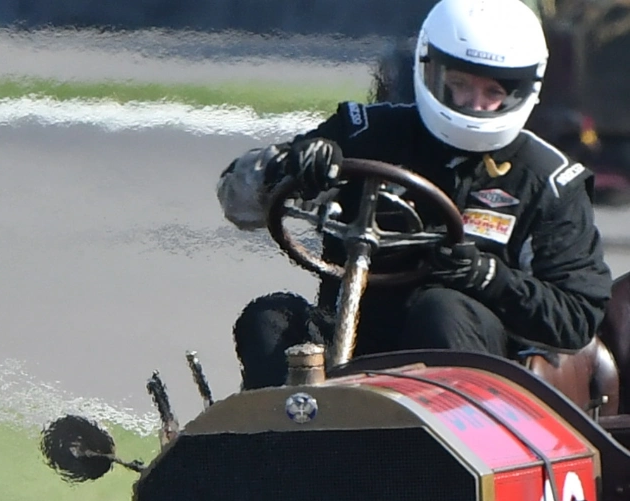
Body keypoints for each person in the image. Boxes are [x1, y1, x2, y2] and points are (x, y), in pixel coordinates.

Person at [218, 0, 613, 388]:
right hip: (353, 331)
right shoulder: (363, 133)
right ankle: (284, 442)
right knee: (267, 318)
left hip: (475, 364)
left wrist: (490, 278)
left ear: (522, 90)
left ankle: (432, 449)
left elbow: (578, 318)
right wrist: (289, 168)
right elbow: (238, 203)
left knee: (440, 308)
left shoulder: (547, 180)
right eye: (459, 85)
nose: (472, 104)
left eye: (491, 91)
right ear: (431, 70)